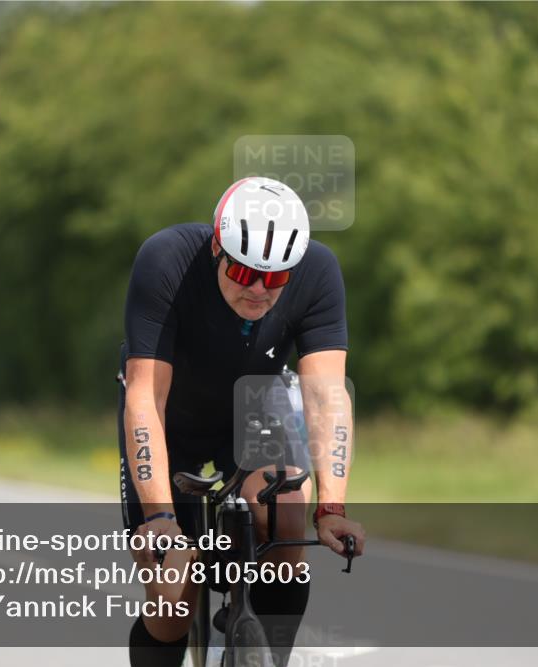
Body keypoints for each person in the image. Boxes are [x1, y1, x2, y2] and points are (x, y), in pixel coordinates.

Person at [117, 176, 366, 667]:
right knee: (172, 599)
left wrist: (332, 507)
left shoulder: (318, 272)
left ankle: (266, 655)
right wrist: (160, 520)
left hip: (255, 406)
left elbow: (326, 398)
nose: (257, 289)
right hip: (172, 417)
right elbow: (145, 397)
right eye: (244, 271)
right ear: (217, 248)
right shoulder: (166, 260)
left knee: (290, 504)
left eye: (273, 279)